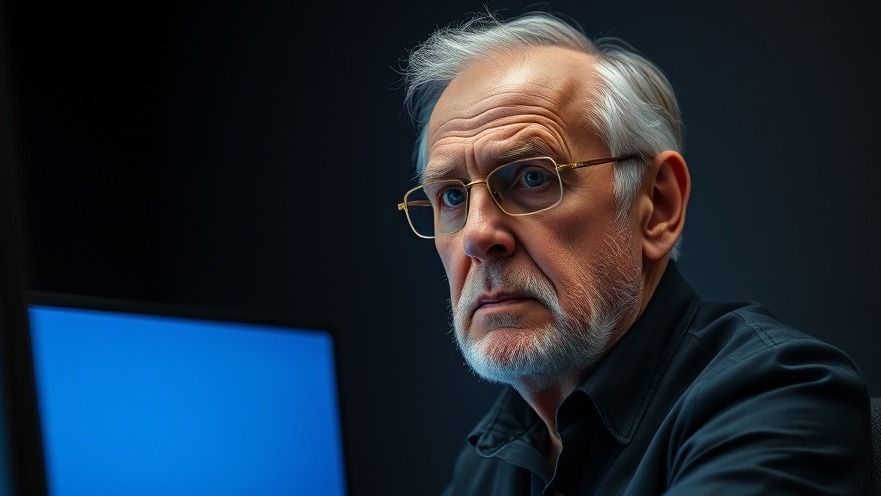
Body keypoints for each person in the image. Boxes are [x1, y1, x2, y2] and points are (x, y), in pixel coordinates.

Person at [394, 8, 872, 496]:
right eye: (452, 195)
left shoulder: (782, 397)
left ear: (657, 205)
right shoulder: (484, 467)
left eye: (533, 177)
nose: (476, 235)